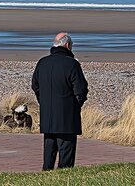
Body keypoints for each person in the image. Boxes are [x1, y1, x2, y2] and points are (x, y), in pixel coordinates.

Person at [32, 32, 88, 170]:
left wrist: (44, 102)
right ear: (68, 45)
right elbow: (81, 90)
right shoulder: (72, 64)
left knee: (49, 152)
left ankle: (46, 176)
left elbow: (35, 86)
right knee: (66, 157)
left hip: (48, 115)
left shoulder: (42, 63)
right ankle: (63, 179)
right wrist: (75, 106)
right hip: (67, 117)